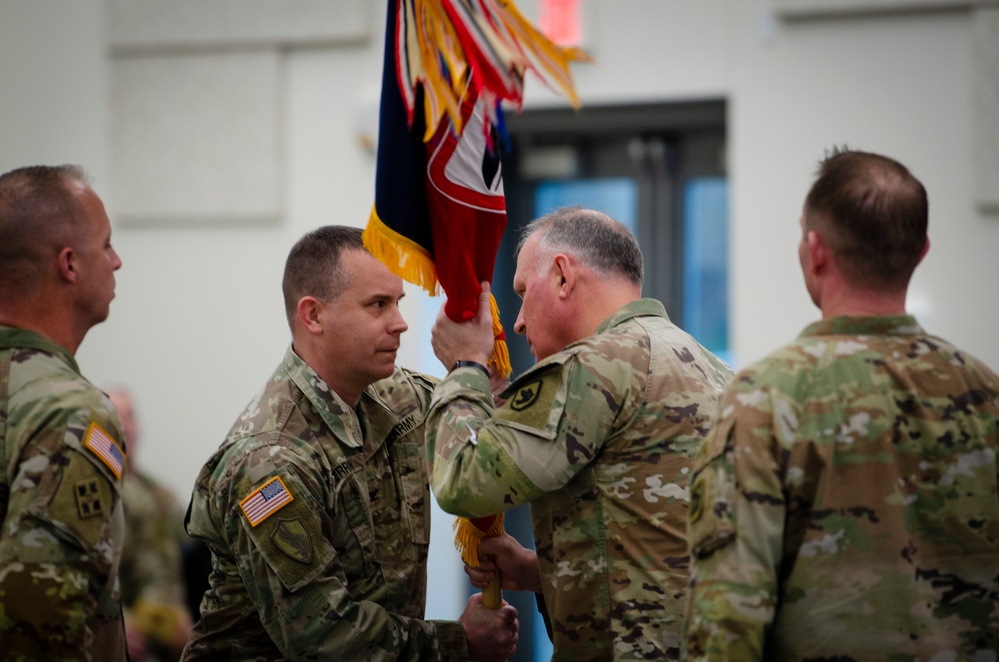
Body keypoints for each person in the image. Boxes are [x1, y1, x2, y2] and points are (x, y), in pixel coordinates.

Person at [683, 148, 999, 660]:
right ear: (921, 251)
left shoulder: (765, 398)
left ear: (816, 250)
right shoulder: (986, 393)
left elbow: (726, 619)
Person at [181, 225, 519, 660]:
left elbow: (487, 422)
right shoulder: (270, 458)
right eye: (377, 305)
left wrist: (475, 365)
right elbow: (323, 636)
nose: (400, 323)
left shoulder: (396, 396)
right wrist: (458, 642)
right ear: (313, 315)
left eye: (397, 302)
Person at [426, 207, 733, 661]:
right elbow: (654, 540)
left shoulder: (592, 367)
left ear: (563, 276)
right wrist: (536, 571)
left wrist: (465, 369)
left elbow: (463, 481)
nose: (518, 322)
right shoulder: (710, 365)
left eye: (524, 292)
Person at [0, 164, 126, 659]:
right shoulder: (69, 411)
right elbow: (40, 629)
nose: (117, 261)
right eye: (107, 244)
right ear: (69, 265)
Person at [107, 387, 194, 662]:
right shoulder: (97, 494)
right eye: (116, 418)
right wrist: (117, 621)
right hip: (118, 639)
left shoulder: (163, 497)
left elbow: (193, 564)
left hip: (171, 637)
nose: (126, 428)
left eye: (130, 417)